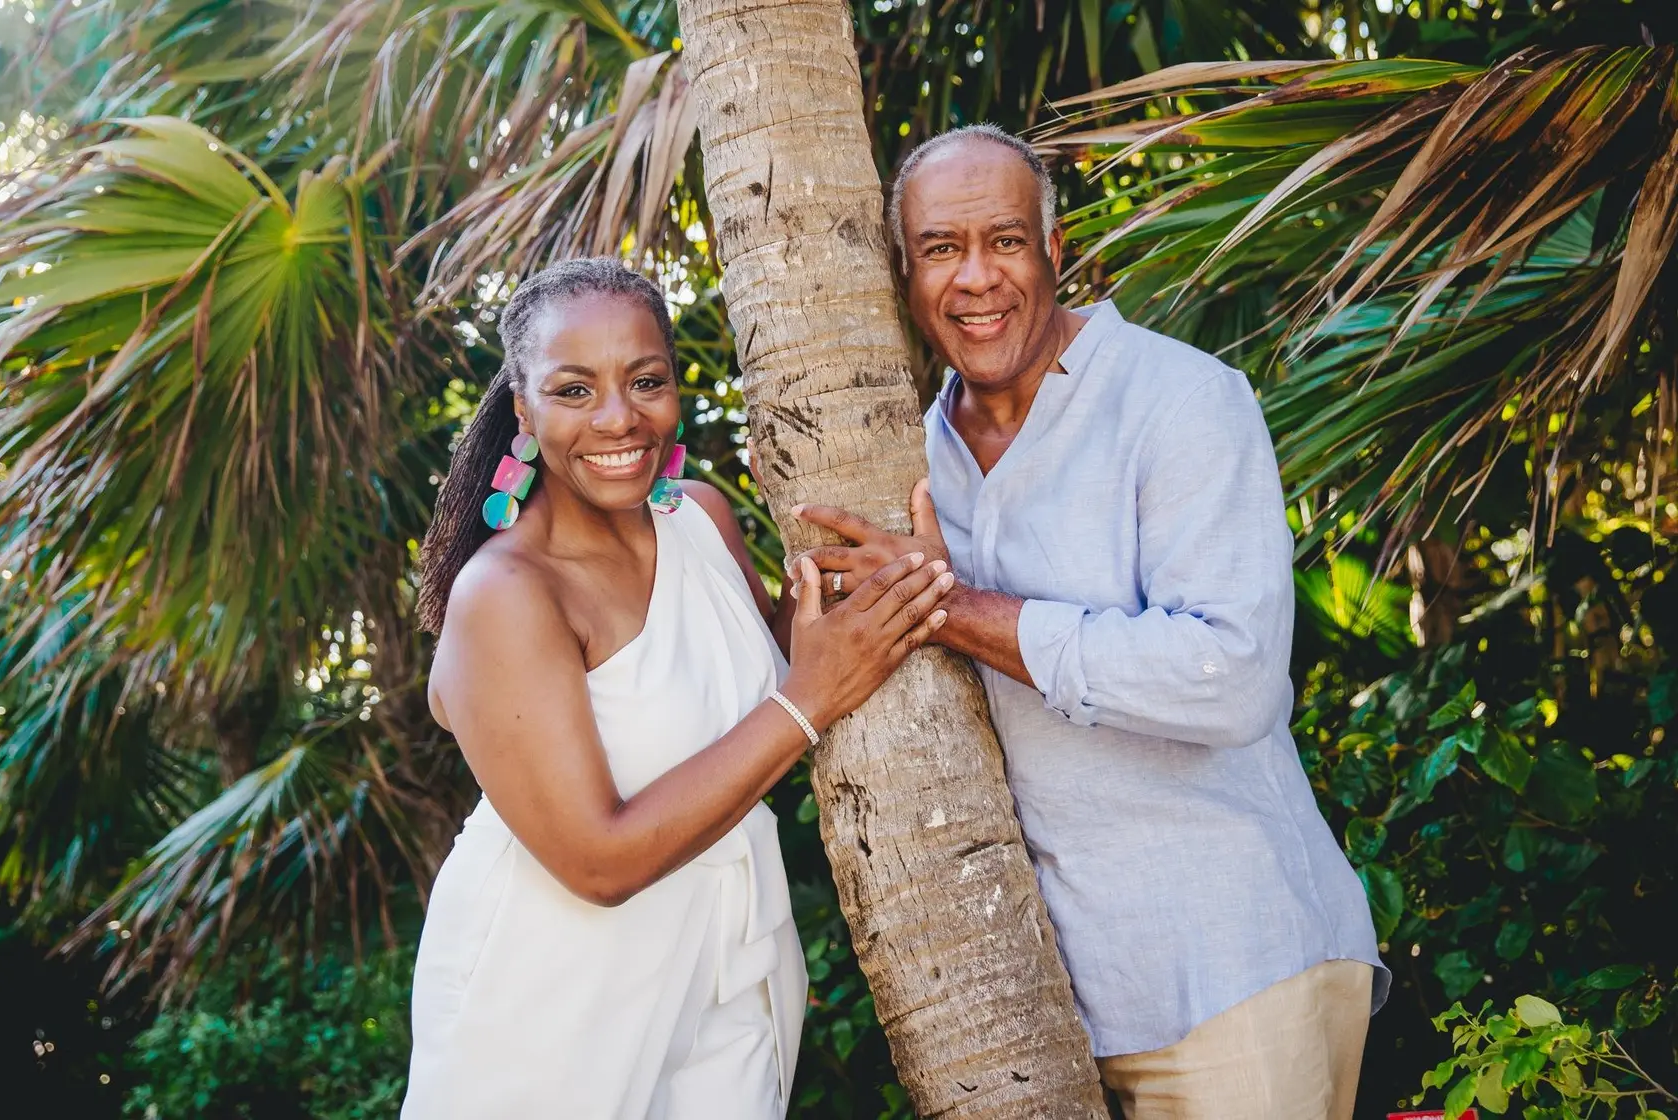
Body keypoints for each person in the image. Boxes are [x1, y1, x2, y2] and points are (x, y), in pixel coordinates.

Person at [793, 125, 1390, 1120]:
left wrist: (951, 605)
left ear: (1054, 250)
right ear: (903, 274)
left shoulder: (1180, 400)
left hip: (1230, 968)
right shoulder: (913, 457)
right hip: (1046, 1003)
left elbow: (1233, 675)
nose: (976, 278)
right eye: (941, 249)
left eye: (1005, 241)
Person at [402, 258, 956, 1119]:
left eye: (646, 381)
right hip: (553, 992)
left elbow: (773, 669)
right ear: (523, 409)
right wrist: (812, 698)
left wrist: (890, 576)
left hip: (729, 957)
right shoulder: (508, 591)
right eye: (575, 390)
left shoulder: (698, 516)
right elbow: (598, 860)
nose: (619, 418)